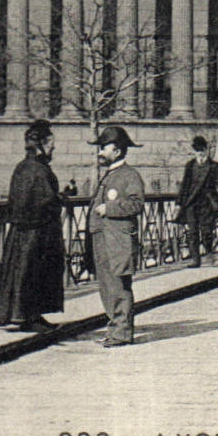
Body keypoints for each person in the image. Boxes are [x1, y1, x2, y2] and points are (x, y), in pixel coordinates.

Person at [0, 120, 64, 332]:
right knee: (31, 272)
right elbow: (39, 201)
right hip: (34, 233)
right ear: (41, 144)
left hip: (29, 231)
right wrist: (57, 200)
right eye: (51, 143)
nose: (54, 148)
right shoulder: (35, 169)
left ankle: (29, 314)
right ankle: (28, 316)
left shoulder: (27, 167)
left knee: (28, 273)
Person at [87, 125, 145, 347]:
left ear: (118, 151)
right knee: (107, 286)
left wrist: (109, 208)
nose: (100, 152)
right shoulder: (110, 174)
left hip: (118, 241)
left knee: (119, 286)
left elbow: (137, 203)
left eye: (104, 148)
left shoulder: (129, 175)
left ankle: (121, 332)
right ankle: (115, 328)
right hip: (103, 238)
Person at [176, 135, 218, 267]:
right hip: (191, 203)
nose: (200, 153)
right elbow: (184, 185)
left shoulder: (214, 166)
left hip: (207, 203)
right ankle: (195, 260)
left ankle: (209, 253)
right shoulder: (190, 165)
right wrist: (178, 203)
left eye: (202, 150)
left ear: (206, 150)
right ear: (194, 152)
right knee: (192, 232)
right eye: (197, 150)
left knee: (207, 231)